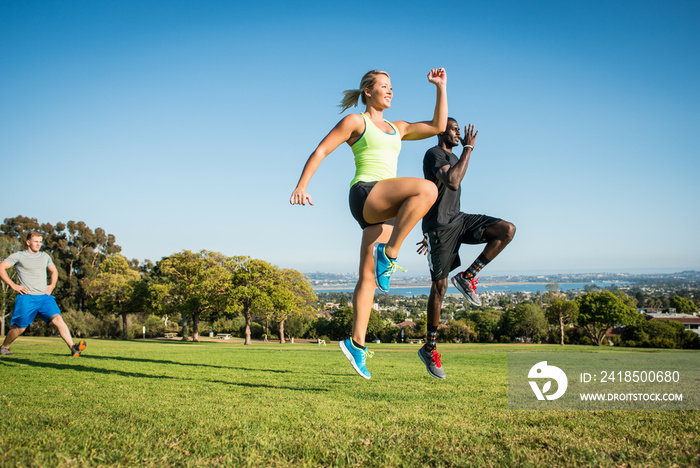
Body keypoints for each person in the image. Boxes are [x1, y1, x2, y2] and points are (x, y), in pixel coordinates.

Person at [290, 68, 448, 379]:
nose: (390, 92)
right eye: (384, 87)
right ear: (367, 92)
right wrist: (302, 185)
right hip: (365, 194)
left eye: (392, 87)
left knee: (367, 279)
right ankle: (389, 254)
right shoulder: (356, 122)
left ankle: (357, 345)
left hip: (386, 206)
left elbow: (438, 125)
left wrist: (441, 87)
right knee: (427, 188)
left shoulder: (397, 127)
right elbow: (321, 149)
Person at [417, 118, 515, 379]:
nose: (458, 132)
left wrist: (464, 152)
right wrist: (468, 149)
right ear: (441, 132)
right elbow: (453, 180)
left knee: (506, 230)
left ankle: (468, 276)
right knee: (439, 288)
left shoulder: (452, 155)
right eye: (453, 128)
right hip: (439, 228)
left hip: (458, 220)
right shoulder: (434, 154)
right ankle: (430, 348)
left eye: (459, 129)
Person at [0, 231, 86, 357]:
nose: (38, 244)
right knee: (20, 328)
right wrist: (13, 285)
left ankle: (73, 348)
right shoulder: (18, 256)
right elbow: (1, 268)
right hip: (27, 298)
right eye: (35, 241)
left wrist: (52, 285)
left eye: (40, 242)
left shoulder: (45, 256)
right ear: (28, 242)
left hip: (44, 298)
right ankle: (4, 347)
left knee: (58, 319)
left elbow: (54, 271)